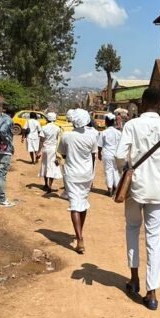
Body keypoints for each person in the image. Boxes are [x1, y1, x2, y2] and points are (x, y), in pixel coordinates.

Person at [115, 88, 160, 311]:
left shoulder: (131, 126)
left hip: (136, 189)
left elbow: (119, 155)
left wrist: (126, 171)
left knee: (132, 229)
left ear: (142, 103)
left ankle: (134, 280)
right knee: (154, 240)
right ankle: (152, 294)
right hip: (159, 191)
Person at [57, 109, 99, 254]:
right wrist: (92, 176)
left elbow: (62, 153)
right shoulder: (93, 136)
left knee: (75, 204)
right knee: (83, 202)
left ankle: (79, 238)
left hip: (72, 174)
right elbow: (93, 157)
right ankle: (79, 232)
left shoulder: (67, 136)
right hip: (86, 174)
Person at [0, 104, 17, 207]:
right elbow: (2, 131)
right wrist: (6, 141)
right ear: (13, 114)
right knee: (2, 175)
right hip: (5, 151)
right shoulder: (9, 120)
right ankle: (2, 199)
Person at [37, 112, 63, 193]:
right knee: (52, 166)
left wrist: (38, 151)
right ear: (54, 119)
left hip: (46, 149)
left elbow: (41, 140)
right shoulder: (57, 128)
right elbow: (59, 140)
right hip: (54, 149)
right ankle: (50, 186)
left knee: (45, 165)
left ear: (47, 119)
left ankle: (45, 184)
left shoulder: (44, 128)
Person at [98, 113, 122, 197]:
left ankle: (110, 189)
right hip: (116, 154)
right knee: (115, 171)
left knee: (108, 170)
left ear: (106, 122)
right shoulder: (118, 132)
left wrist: (99, 154)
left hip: (107, 154)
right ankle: (116, 188)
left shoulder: (104, 132)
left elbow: (100, 145)